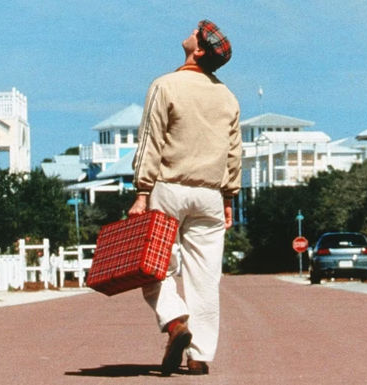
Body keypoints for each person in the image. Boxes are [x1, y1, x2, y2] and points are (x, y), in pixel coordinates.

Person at [127, 19, 240, 376]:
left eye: (197, 33)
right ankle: (199, 356)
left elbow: (151, 142)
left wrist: (141, 192)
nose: (191, 32)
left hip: (168, 189)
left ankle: (175, 321)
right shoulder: (228, 97)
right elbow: (234, 152)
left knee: (151, 266)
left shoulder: (166, 85)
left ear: (199, 49)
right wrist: (228, 197)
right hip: (209, 194)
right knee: (205, 278)